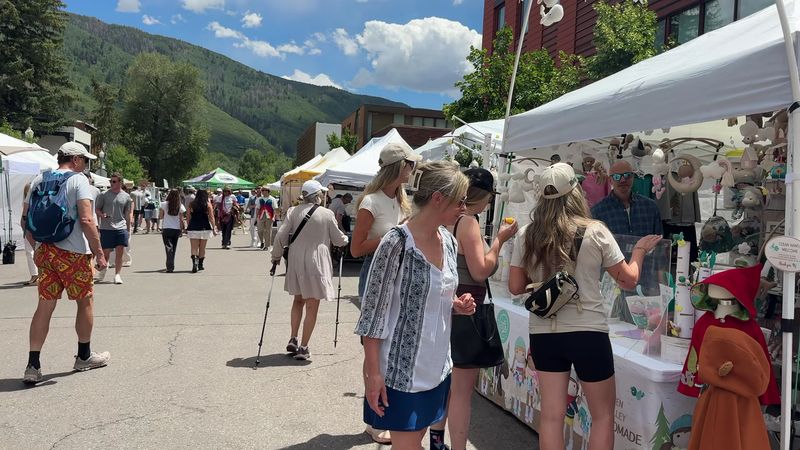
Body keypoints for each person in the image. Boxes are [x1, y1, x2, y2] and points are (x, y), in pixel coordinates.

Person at [507, 163, 662, 450]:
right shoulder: (595, 231)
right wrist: (639, 251)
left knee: (551, 416)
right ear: (575, 192)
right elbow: (628, 280)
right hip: (588, 330)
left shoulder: (527, 234)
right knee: (602, 416)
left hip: (544, 331)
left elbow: (515, 287)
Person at [355, 161, 477, 450]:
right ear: (438, 198)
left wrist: (456, 304)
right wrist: (374, 374)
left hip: (438, 369)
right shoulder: (396, 242)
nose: (464, 208)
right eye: (460, 201)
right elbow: (372, 315)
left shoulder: (449, 242)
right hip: (400, 373)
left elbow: (435, 295)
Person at [431, 168, 518, 450]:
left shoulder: (445, 219)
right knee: (461, 391)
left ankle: (436, 442)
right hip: (466, 307)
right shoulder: (467, 221)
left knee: (444, 384)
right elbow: (480, 271)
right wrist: (499, 240)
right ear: (484, 196)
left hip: (447, 304)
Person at [349, 141, 419, 445]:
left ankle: (380, 417)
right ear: (400, 167)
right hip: (375, 273)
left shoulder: (399, 200)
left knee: (385, 350)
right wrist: (394, 235)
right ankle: (374, 420)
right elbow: (356, 249)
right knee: (374, 349)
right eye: (410, 164)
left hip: (397, 275)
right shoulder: (372, 202)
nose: (413, 169)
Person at [22, 141, 110, 384]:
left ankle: (33, 365)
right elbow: (87, 220)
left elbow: (25, 220)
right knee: (85, 302)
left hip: (45, 253)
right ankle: (84, 356)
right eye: (85, 160)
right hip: (73, 254)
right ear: (76, 160)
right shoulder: (78, 181)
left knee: (45, 306)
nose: (86, 165)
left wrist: (37, 247)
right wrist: (99, 252)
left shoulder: (39, 180)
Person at [271, 180, 348, 361]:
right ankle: (304, 347)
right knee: (312, 305)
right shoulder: (326, 214)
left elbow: (281, 235)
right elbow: (338, 239)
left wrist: (276, 256)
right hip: (317, 260)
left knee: (298, 300)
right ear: (317, 196)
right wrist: (345, 239)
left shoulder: (293, 211)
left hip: (296, 258)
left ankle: (293, 337)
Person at [591, 160, 663, 237]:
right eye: (617, 177)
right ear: (610, 180)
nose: (623, 180)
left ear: (633, 177)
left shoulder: (650, 207)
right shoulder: (597, 212)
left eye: (627, 175)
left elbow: (659, 241)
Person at [95, 173, 133, 285]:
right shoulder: (103, 195)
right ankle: (103, 270)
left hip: (121, 227)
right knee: (106, 254)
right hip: (107, 228)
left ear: (120, 183)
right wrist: (102, 215)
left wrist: (128, 229)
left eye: (114, 181)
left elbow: (127, 213)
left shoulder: (126, 196)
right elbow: (97, 209)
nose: (111, 183)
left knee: (119, 253)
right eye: (110, 181)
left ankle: (117, 275)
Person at [186, 189, 217, 273]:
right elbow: (211, 217)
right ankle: (200, 264)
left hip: (193, 227)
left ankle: (194, 263)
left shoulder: (191, 204)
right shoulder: (208, 204)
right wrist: (214, 227)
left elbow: (188, 216)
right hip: (205, 227)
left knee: (194, 247)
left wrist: (188, 225)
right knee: (202, 248)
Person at [159, 189, 186, 272]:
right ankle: (171, 264)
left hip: (166, 228)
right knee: (174, 247)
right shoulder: (180, 205)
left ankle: (170, 266)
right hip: (176, 228)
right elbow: (181, 219)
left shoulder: (164, 204)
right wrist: (182, 229)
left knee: (168, 247)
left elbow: (161, 217)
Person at [19, 183, 39, 286]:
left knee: (30, 252)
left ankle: (35, 275)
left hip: (30, 227)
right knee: (33, 251)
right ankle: (37, 274)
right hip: (35, 228)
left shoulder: (29, 202)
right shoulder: (39, 199)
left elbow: (24, 217)